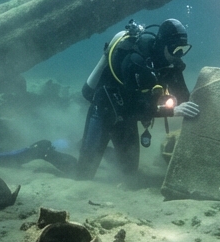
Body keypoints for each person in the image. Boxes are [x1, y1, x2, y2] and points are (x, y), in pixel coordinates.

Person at [77, 19, 200, 179]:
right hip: (104, 111)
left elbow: (184, 97)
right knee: (82, 174)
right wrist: (172, 110)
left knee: (130, 174)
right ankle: (47, 151)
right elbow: (132, 107)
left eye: (182, 49)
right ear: (162, 44)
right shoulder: (136, 61)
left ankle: (101, 152)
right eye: (174, 49)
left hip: (126, 120)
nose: (178, 54)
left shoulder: (170, 64)